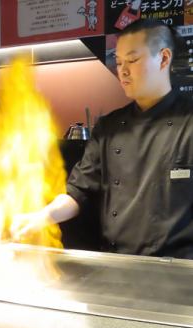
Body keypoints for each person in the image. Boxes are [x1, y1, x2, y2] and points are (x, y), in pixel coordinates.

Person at [11, 19, 193, 259]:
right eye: (118, 62)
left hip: (178, 270)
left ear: (164, 58)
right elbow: (78, 191)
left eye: (133, 60)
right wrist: (42, 217)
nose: (123, 71)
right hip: (117, 262)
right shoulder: (109, 127)